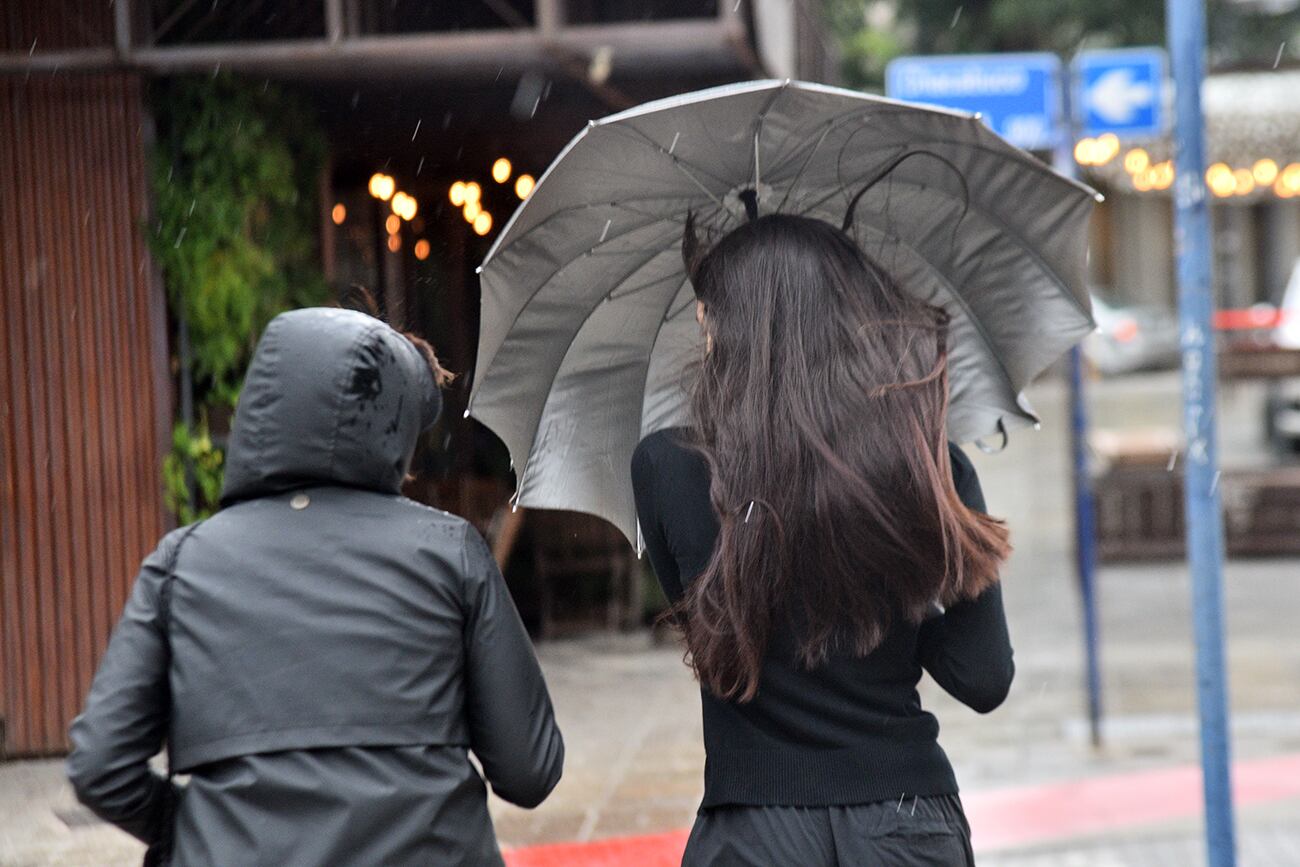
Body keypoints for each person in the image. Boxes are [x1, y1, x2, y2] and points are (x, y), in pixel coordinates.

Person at [67, 306, 564, 866]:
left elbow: (100, 767)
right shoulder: (451, 553)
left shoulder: (182, 563)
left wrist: (194, 830)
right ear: (392, 435)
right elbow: (531, 771)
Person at [632, 214, 1014, 866]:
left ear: (729, 328)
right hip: (906, 824)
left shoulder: (665, 467)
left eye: (708, 317)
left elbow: (711, 630)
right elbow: (983, 678)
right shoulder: (929, 466)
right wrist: (894, 579)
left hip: (752, 833)